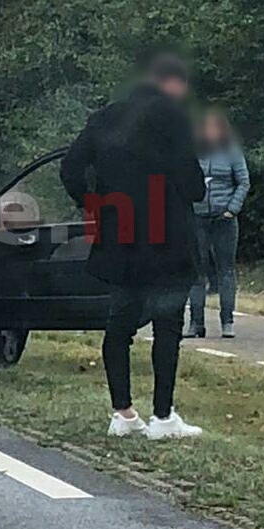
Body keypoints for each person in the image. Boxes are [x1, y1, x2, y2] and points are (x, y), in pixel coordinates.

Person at [60, 54, 207, 440]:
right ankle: (163, 417)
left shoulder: (105, 119)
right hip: (169, 241)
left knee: (120, 324)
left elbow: (70, 169)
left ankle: (122, 411)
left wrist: (97, 204)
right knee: (168, 327)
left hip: (120, 237)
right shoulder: (173, 122)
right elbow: (194, 186)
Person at [185, 109, 250, 339]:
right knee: (196, 271)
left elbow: (243, 182)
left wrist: (232, 209)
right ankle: (196, 323)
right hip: (198, 218)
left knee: (226, 270)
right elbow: (185, 179)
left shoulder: (232, 152)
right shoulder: (193, 152)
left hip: (224, 219)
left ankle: (227, 321)